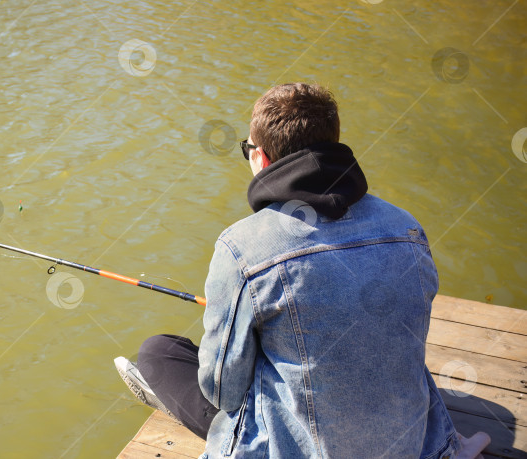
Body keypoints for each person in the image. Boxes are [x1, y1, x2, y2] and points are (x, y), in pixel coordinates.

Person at [115, 83, 490, 458]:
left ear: (259, 158)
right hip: (413, 445)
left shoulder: (241, 247)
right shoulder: (407, 227)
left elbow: (223, 391)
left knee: (158, 352)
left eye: (247, 149)